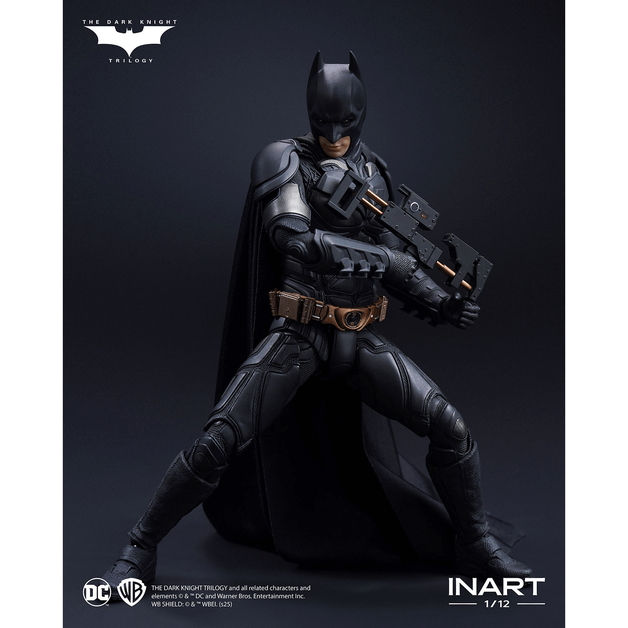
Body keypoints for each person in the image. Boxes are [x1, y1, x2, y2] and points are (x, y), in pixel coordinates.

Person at [103, 52, 530, 598]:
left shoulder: (374, 173)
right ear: (308, 111)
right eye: (321, 121)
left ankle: (473, 543)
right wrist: (388, 261)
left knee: (451, 428)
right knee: (219, 440)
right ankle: (139, 547)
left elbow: (402, 255)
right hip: (300, 334)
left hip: (359, 336)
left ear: (362, 113)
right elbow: (294, 238)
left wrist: (440, 302)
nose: (332, 135)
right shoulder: (282, 158)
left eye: (345, 122)